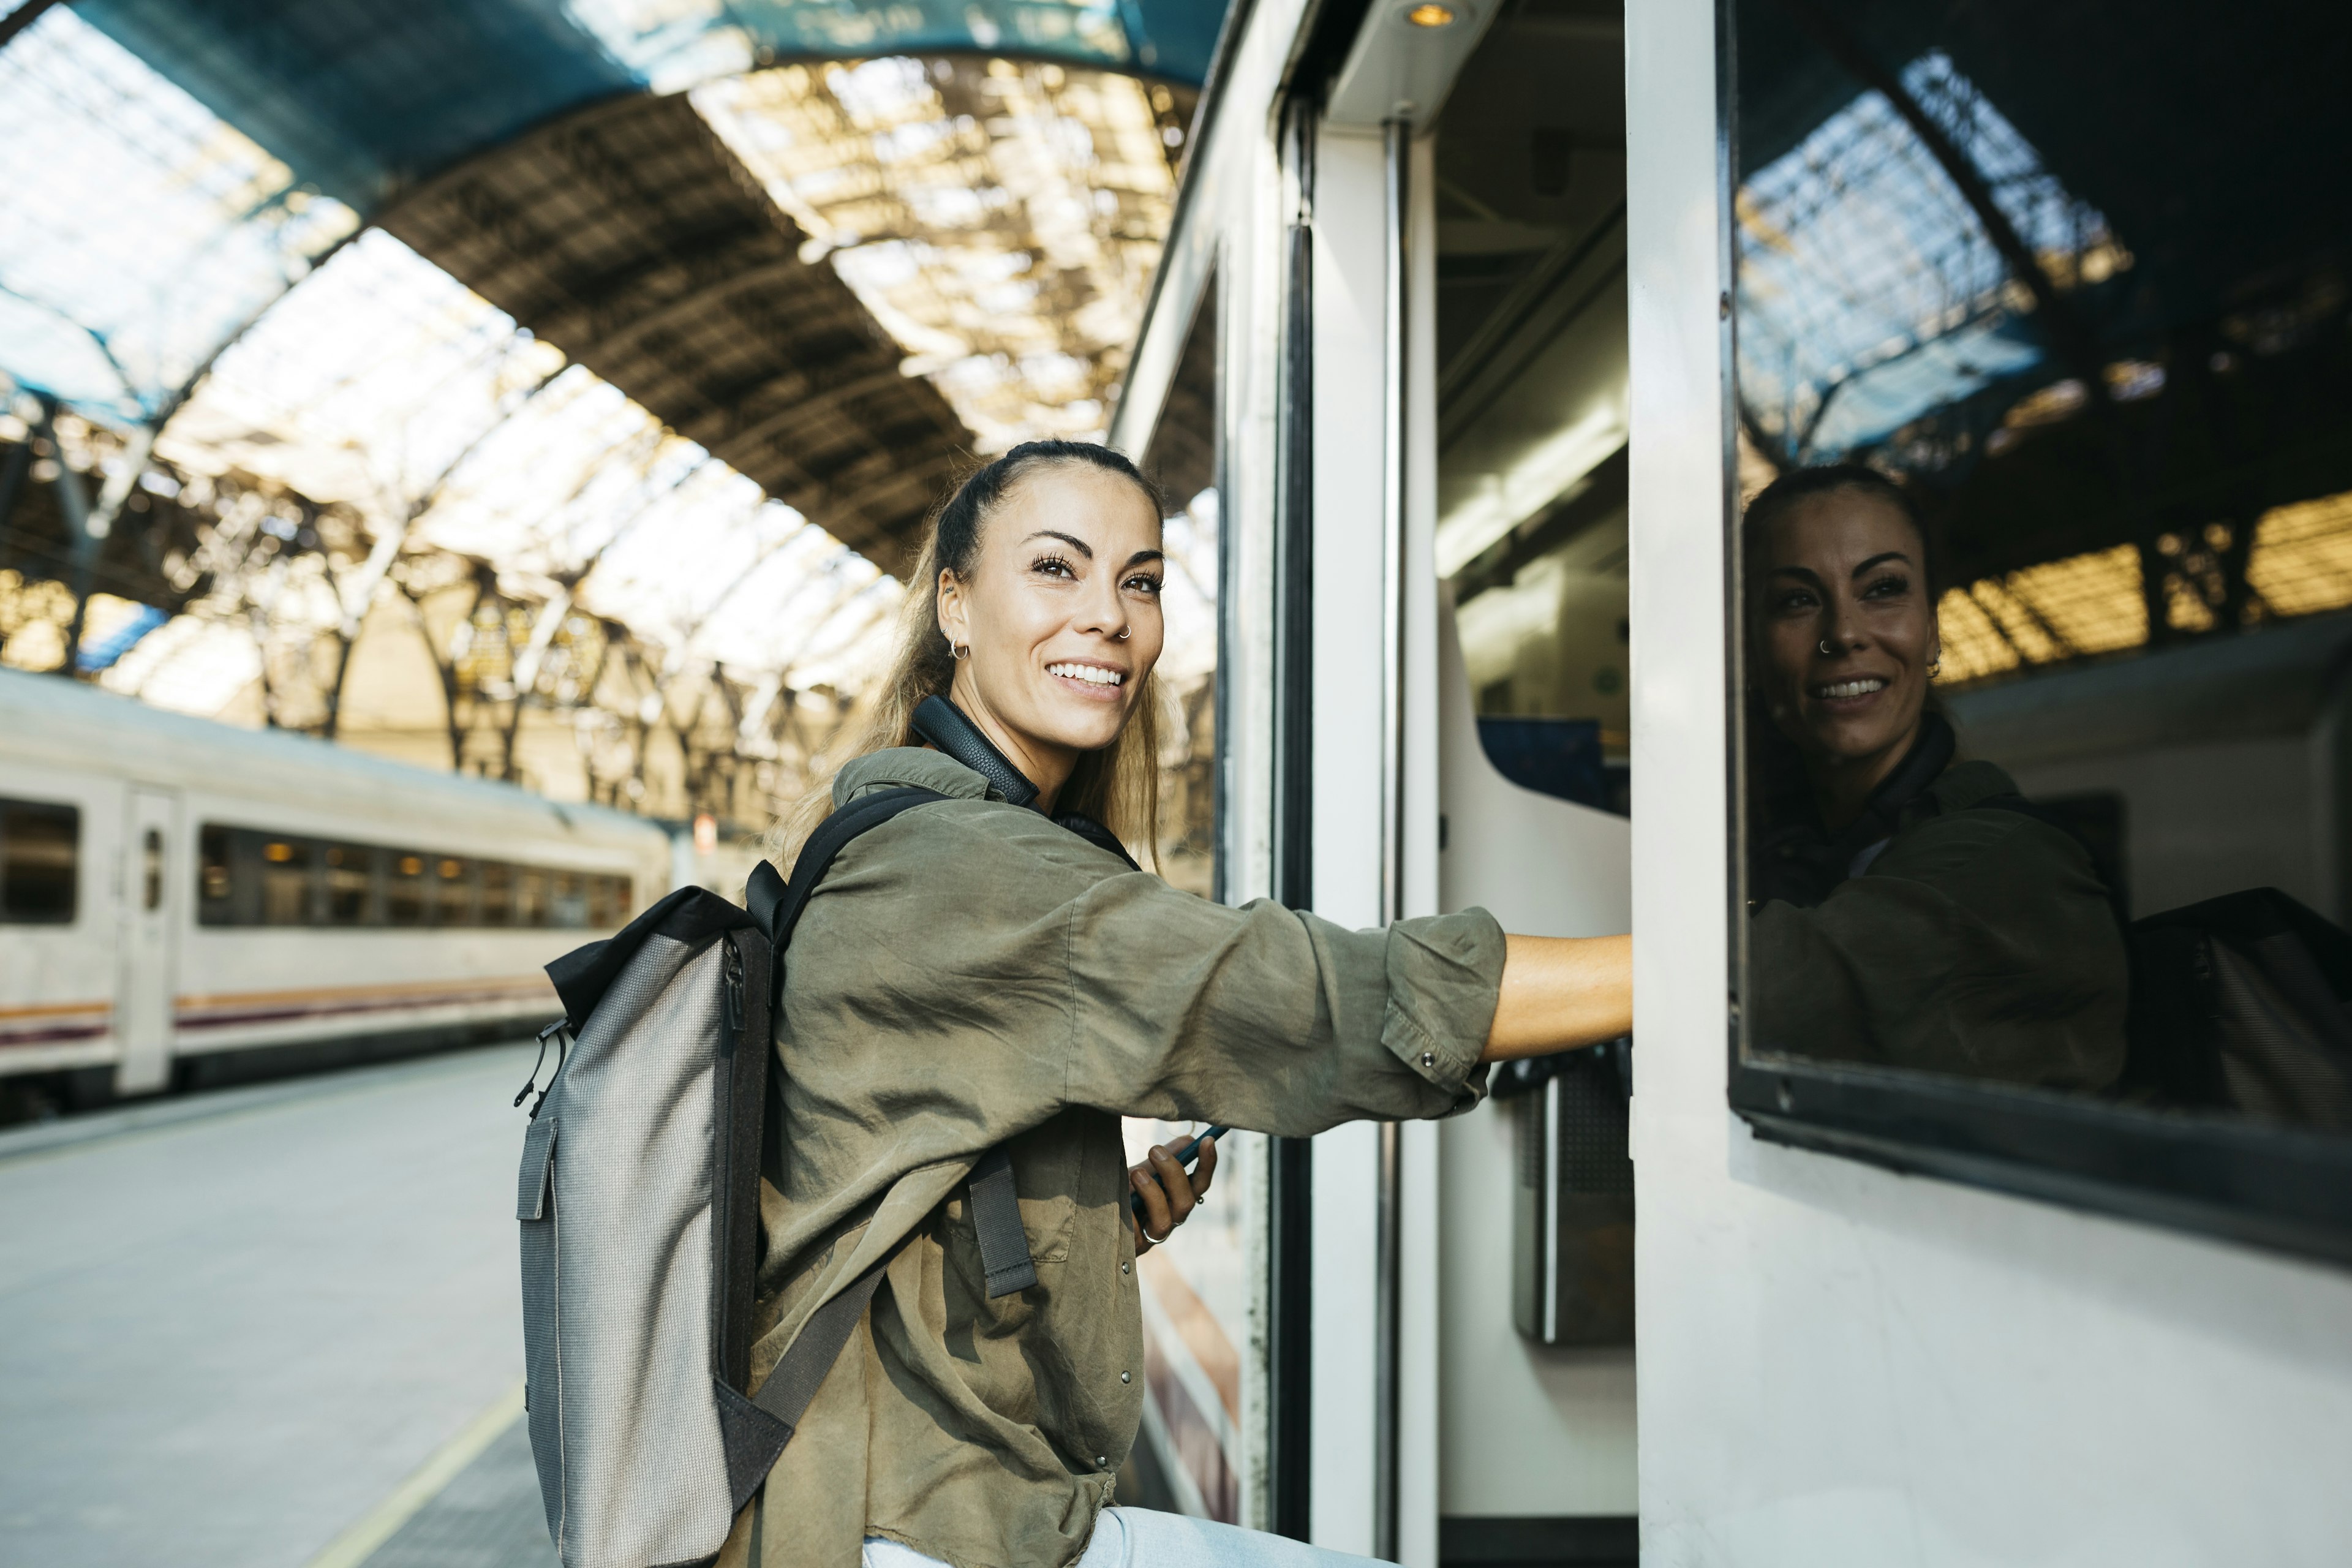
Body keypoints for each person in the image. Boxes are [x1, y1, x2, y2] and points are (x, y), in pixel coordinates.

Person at [727, 439, 1631, 1568]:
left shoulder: (919, 831)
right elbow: (1299, 992)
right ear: (955, 605)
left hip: (929, 1505)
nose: (1109, 615)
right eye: (1056, 568)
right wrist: (1678, 970)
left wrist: (1098, 1220)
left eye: (1141, 581)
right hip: (897, 1528)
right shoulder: (957, 865)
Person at [1742, 463, 2127, 1090]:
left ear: (1932, 632)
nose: (1843, 632)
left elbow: (1769, 984)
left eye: (1883, 588)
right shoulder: (1798, 846)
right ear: (1750, 652)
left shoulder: (2006, 862)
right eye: (1797, 600)